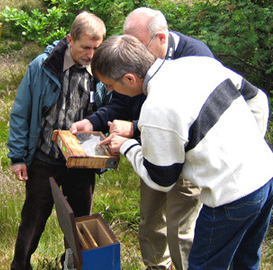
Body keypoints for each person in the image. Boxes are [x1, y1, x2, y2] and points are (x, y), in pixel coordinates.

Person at [91, 34, 273, 270]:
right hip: (265, 174)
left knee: (204, 266)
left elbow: (161, 180)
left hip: (230, 198)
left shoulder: (156, 108)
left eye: (111, 85)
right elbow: (255, 97)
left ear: (129, 78)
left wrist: (126, 146)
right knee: (245, 261)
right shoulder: (198, 63)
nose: (110, 90)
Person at [71, 8, 214, 270]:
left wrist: (133, 128)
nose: (133, 53)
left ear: (160, 38)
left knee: (180, 227)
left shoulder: (196, 56)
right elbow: (119, 104)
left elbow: (189, 118)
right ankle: (156, 266)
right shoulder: (133, 62)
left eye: (138, 45)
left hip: (187, 160)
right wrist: (92, 122)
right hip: (150, 152)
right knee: (150, 220)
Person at [7, 11, 109, 270]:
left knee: (80, 219)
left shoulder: (99, 71)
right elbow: (21, 112)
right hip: (44, 159)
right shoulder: (43, 66)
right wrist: (18, 157)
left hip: (81, 162)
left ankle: (72, 264)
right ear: (70, 40)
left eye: (97, 48)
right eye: (86, 47)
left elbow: (108, 111)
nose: (91, 54)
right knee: (33, 217)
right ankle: (20, 265)